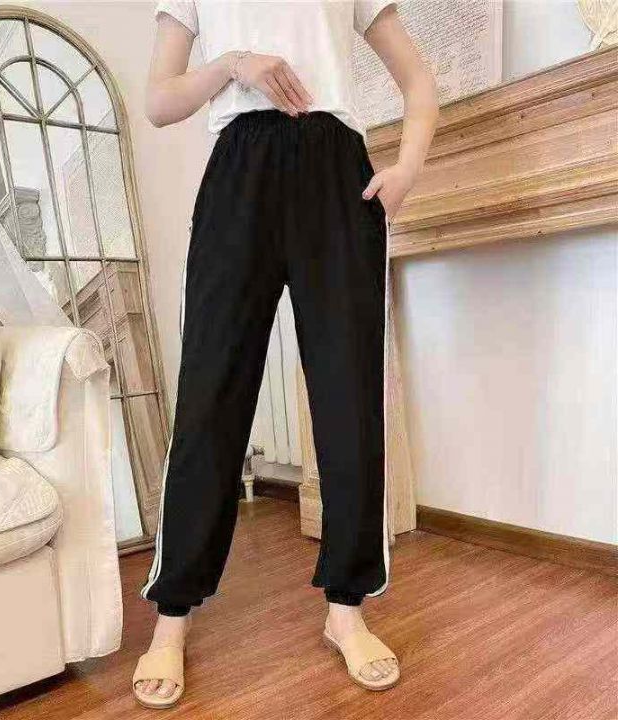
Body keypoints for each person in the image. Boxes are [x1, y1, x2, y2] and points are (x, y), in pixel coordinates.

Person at [133, 0, 438, 709]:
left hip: (335, 169)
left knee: (349, 394)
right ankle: (172, 615)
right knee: (210, 394)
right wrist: (233, 64)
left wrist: (407, 167)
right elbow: (159, 101)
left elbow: (419, 81)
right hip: (237, 171)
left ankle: (347, 610)